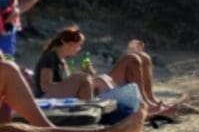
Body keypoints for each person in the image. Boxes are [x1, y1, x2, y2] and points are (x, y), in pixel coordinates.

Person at [0, 56, 146, 132]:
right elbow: (45, 85)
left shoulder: (58, 59)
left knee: (6, 69)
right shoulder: (50, 58)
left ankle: (52, 130)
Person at [35, 27, 180, 117]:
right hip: (51, 99)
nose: (79, 49)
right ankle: (141, 106)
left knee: (140, 57)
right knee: (106, 76)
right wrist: (79, 79)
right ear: (66, 43)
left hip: (68, 95)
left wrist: (84, 76)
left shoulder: (61, 60)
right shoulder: (50, 58)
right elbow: (45, 86)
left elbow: (64, 84)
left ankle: (149, 101)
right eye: (78, 45)